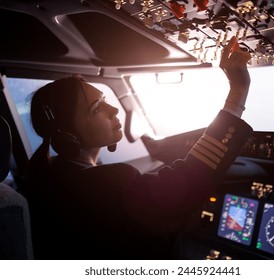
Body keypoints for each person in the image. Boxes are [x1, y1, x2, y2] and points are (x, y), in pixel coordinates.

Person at [23, 36, 253, 260]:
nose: (112, 110)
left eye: (104, 99)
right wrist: (238, 92)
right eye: (96, 108)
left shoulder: (46, 176)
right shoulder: (103, 183)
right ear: (67, 137)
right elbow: (182, 189)